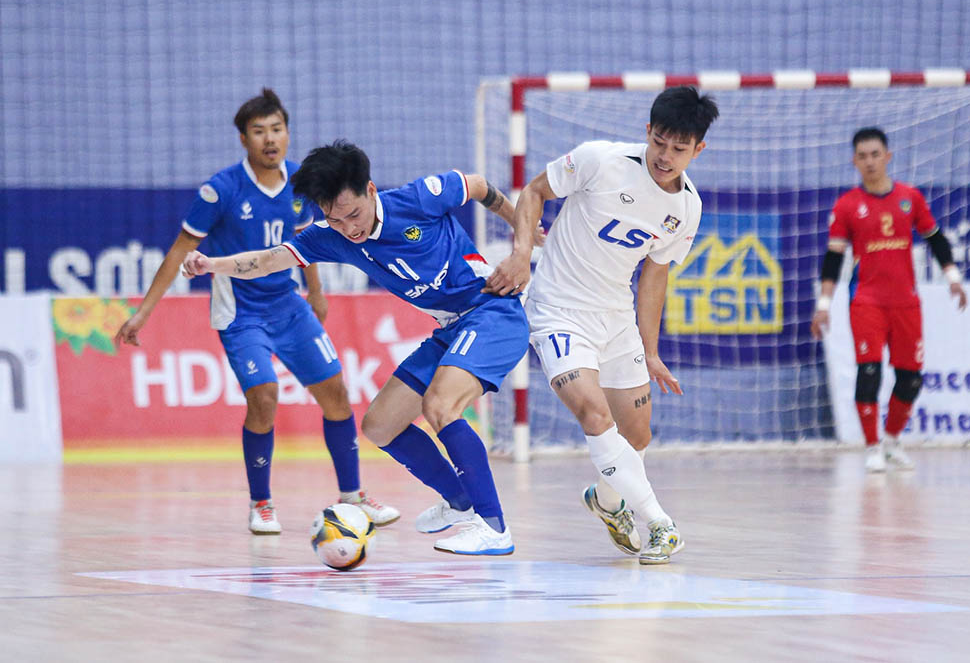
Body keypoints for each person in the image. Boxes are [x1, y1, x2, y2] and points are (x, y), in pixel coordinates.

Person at [181, 140, 536, 555]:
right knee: (379, 425)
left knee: (440, 406)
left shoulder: (419, 198)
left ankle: (493, 527)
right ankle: (460, 501)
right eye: (335, 219)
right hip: (450, 329)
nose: (350, 228)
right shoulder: (330, 237)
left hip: (492, 312)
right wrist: (211, 265)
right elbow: (267, 260)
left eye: (353, 214)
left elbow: (477, 186)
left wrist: (525, 245)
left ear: (370, 190)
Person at [114, 89, 399, 534]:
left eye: (277, 129)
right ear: (244, 139)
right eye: (259, 131)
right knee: (264, 398)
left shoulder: (302, 185)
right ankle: (261, 502)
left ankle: (353, 496)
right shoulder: (220, 191)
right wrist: (143, 313)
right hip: (241, 315)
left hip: (289, 307)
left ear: (287, 133)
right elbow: (177, 252)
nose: (270, 139)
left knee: (337, 395)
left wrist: (316, 294)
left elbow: (307, 243)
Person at [489, 86, 719, 564]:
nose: (665, 156)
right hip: (557, 310)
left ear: (698, 150)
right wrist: (522, 256)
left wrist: (650, 351)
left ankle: (608, 501)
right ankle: (659, 523)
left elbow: (655, 276)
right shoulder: (600, 160)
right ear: (647, 133)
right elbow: (533, 191)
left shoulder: (687, 207)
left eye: (679, 149)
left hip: (615, 318)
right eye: (659, 142)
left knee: (636, 437)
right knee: (596, 418)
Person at [811, 127, 967, 472]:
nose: (869, 162)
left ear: (888, 156)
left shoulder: (910, 197)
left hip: (906, 303)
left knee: (911, 377)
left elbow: (936, 239)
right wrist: (823, 306)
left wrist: (953, 278)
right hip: (866, 302)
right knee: (869, 372)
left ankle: (893, 441)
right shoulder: (848, 205)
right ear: (854, 161)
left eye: (875, 154)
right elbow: (833, 259)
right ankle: (872, 446)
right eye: (862, 156)